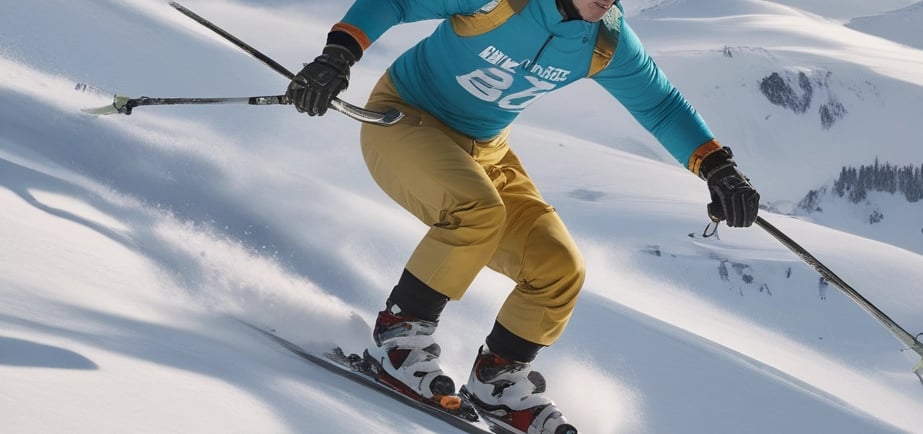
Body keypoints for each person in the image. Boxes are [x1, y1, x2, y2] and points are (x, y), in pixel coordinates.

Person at [286, 0, 759, 432]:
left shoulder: (604, 40)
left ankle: (497, 382)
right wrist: (337, 57)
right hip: (405, 120)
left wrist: (719, 170)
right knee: (478, 210)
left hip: (485, 153)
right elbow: (397, 2)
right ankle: (398, 339)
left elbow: (659, 104)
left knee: (558, 267)